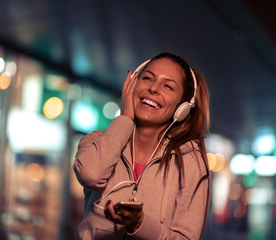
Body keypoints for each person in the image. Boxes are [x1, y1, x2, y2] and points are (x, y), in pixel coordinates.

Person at [73, 52, 211, 240]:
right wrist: (125, 118)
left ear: (182, 108)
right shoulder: (96, 141)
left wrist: (140, 224)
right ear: (132, 85)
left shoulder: (189, 162)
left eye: (168, 86)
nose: (153, 88)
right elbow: (91, 175)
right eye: (147, 78)